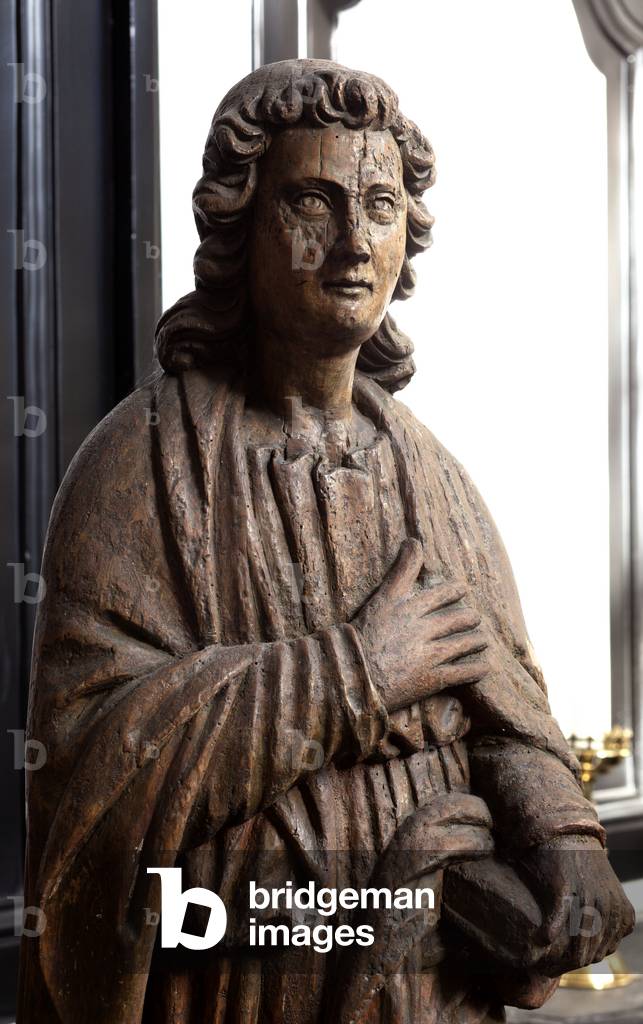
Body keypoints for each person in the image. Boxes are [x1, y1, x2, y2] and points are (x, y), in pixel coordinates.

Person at [18, 59, 633, 1024]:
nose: (354, 241)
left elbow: (505, 704)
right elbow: (92, 766)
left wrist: (566, 840)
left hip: (429, 973)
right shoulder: (140, 465)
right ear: (241, 226)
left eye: (381, 206)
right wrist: (354, 672)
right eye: (314, 203)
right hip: (242, 970)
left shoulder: (429, 474)